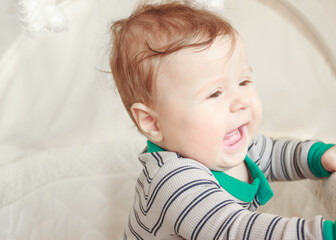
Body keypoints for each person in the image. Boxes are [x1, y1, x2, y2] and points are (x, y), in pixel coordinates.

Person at [109, 1, 336, 239]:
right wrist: (321, 234)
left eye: (244, 82)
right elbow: (235, 231)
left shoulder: (225, 144)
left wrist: (318, 156)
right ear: (153, 123)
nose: (241, 102)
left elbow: (273, 154)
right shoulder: (173, 182)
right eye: (215, 93)